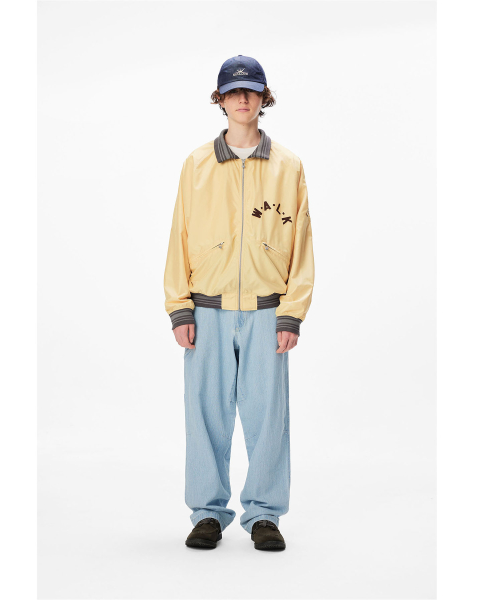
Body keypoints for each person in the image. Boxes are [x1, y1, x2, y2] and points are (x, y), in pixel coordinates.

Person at [163, 55, 315, 551]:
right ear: (221, 100)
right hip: (207, 311)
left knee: (268, 417)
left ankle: (265, 514)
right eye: (233, 91)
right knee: (206, 414)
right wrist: (179, 307)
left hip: (268, 312)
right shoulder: (197, 165)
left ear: (263, 98)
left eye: (251, 90)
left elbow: (301, 245)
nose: (242, 98)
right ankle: (207, 513)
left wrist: (291, 313)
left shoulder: (288, 166)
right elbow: (179, 237)